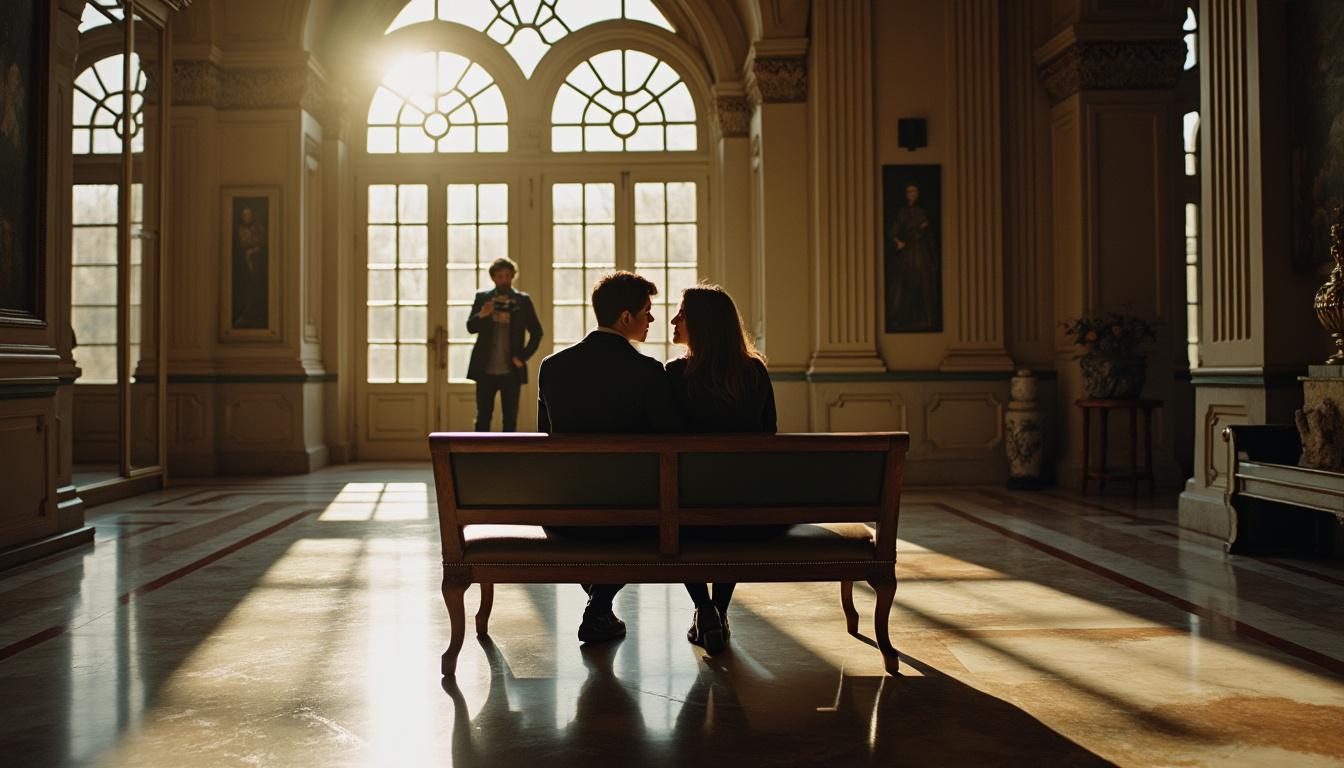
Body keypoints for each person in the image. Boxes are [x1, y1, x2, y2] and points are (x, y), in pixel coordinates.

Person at [536, 271, 683, 644]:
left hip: (563, 513)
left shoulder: (552, 366)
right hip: (631, 514)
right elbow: (670, 441)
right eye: (647, 311)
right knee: (650, 514)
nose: (652, 319)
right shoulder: (648, 371)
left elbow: (545, 437)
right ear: (625, 317)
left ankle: (598, 605)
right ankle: (599, 605)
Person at [666, 285, 777, 655]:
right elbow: (769, 433)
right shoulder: (754, 372)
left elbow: (666, 436)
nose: (673, 320)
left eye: (682, 314)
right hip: (748, 508)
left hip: (687, 504)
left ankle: (704, 608)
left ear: (703, 323)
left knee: (675, 519)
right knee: (732, 516)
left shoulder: (675, 373)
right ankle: (720, 610)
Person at [466, 258, 543, 432]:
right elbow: (470, 327)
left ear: (513, 276)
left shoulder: (522, 301)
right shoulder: (483, 298)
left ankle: (508, 451)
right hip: (485, 369)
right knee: (483, 417)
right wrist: (482, 314)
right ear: (493, 277)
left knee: (510, 419)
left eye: (508, 276)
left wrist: (522, 357)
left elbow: (537, 332)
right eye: (500, 276)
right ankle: (480, 450)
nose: (504, 280)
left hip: (511, 370)